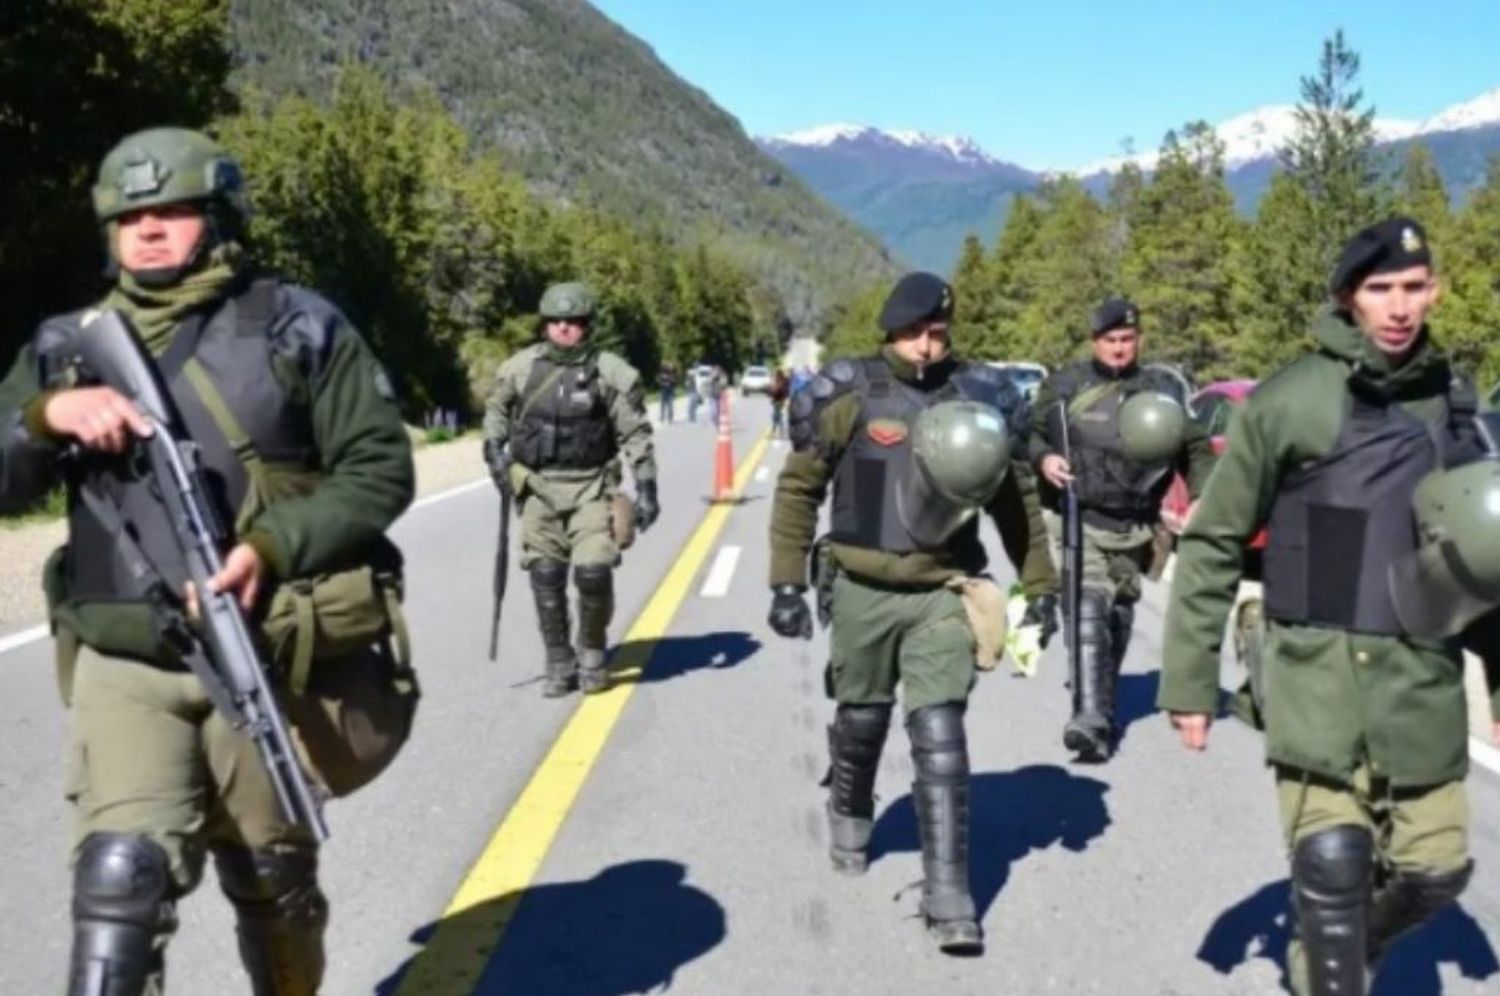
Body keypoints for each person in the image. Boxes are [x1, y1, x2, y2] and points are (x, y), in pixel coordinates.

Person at [0, 127, 419, 994]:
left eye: (174, 211)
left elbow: (380, 469)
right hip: (125, 661)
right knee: (116, 885)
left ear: (220, 217)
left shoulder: (298, 325)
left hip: (261, 651)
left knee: (275, 888)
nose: (149, 230)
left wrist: (273, 546)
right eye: (130, 216)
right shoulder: (63, 346)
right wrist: (47, 418)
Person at [1159, 217, 1500, 996]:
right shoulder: (1292, 400)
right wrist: (1188, 684)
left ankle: (1349, 942)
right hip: (1317, 680)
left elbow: (1483, 565)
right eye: (1380, 289)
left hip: (1420, 683)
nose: (1399, 306)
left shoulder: (1453, 410)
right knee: (1332, 866)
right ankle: (1335, 952)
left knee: (1436, 870)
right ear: (1349, 298)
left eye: (1414, 287)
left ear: (1435, 290)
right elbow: (1212, 540)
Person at [768, 271, 1059, 954]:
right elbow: (797, 490)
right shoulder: (851, 395)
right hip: (863, 587)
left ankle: (950, 892)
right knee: (863, 718)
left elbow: (1015, 503)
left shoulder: (978, 398)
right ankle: (849, 805)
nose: (932, 344)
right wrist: (785, 583)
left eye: (939, 332)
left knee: (941, 732)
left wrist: (1039, 587)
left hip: (942, 590)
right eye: (920, 332)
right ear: (894, 331)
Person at [1029, 297, 1215, 761]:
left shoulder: (1161, 390)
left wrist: (1202, 495)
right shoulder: (1066, 385)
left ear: (1140, 341)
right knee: (1089, 605)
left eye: (1127, 339)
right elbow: (1027, 433)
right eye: (1110, 340)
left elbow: (1197, 449)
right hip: (1083, 517)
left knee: (1118, 617)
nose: (1118, 348)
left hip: (1136, 527)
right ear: (1095, 341)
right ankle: (1088, 717)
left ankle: (1102, 706)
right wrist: (1044, 457)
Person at [483, 282, 658, 696]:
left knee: (593, 570)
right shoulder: (519, 369)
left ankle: (592, 651)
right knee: (546, 574)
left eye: (573, 322)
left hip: (591, 487)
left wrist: (647, 486)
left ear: (586, 326)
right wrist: (493, 450)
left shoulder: (610, 374)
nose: (564, 329)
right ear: (545, 324)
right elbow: (496, 411)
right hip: (538, 487)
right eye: (556, 321)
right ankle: (559, 660)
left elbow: (636, 433)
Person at [768, 368, 790, 438]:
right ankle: (779, 432)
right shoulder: (780, 381)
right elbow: (773, 392)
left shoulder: (780, 382)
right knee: (776, 416)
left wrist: (773, 391)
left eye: (775, 374)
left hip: (778, 401)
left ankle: (777, 432)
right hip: (778, 401)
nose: (775, 376)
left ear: (778, 375)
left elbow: (777, 391)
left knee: (776, 416)